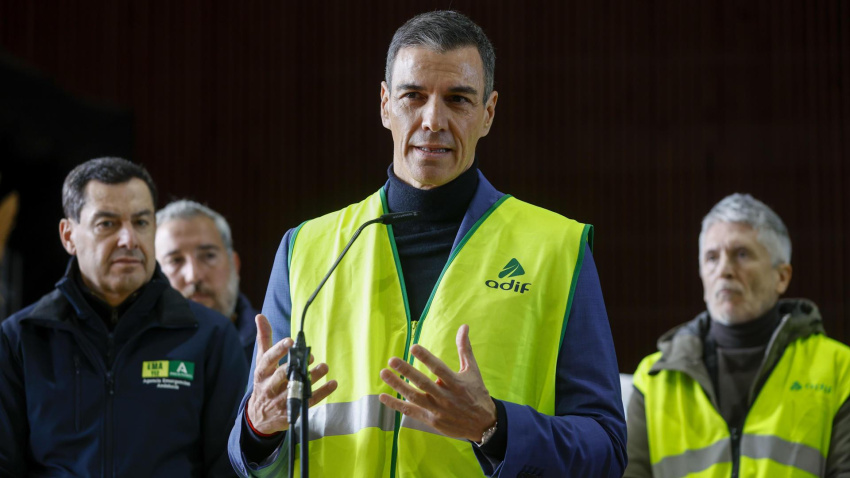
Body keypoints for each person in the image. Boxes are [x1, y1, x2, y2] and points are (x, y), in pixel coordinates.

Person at [228, 11, 626, 478]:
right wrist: (257, 427)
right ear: (385, 105)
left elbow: (606, 449)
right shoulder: (306, 248)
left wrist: (495, 427)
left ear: (488, 113)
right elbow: (249, 449)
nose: (433, 120)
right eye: (413, 96)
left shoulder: (556, 248)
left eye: (458, 99)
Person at [0, 157, 248, 477]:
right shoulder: (20, 339)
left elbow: (230, 469)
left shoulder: (211, 336)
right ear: (68, 236)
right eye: (108, 224)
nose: (129, 239)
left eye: (141, 222)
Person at [625, 193, 850, 477]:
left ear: (782, 276)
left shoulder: (840, 370)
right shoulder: (654, 379)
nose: (724, 270)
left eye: (742, 254)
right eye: (712, 257)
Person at [156, 199, 258, 365]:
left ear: (235, 264)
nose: (193, 276)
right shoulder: (136, 345)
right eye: (175, 260)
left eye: (209, 256)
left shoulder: (279, 340)